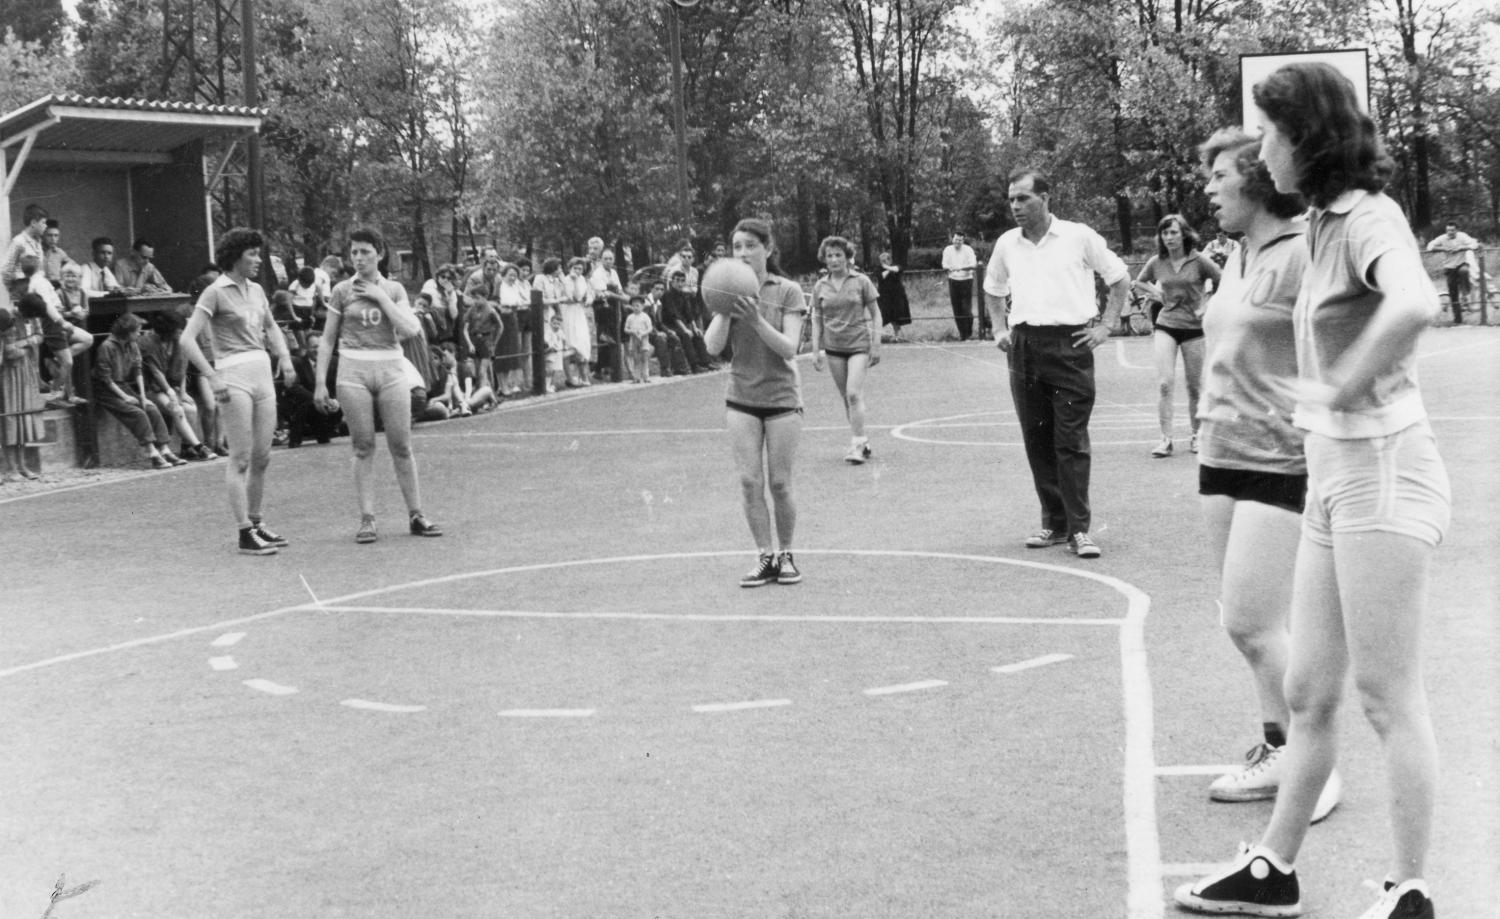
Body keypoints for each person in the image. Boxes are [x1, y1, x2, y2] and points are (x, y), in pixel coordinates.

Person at [1175, 62, 1452, 919]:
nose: (1260, 149)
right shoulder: (1321, 226)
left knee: (1385, 694)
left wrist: (1338, 389)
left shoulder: (1371, 218)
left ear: (1308, 138)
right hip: (1335, 480)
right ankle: (1274, 869)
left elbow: (1412, 304)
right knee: (1306, 690)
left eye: (1269, 133)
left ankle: (1411, 891)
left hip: (1383, 474)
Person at [1194, 127, 1341, 822]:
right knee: (1241, 619)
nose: (1209, 187)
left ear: (1255, 179)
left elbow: (1337, 342)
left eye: (1219, 175)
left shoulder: (1300, 251)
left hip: (1277, 455)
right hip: (1221, 450)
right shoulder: (1238, 253)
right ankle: (1278, 742)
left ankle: (1318, 764)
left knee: (1257, 620)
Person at [983, 167, 1129, 559]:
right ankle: (1055, 522)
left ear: (1045, 199)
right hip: (1025, 347)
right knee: (1037, 439)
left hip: (1071, 345)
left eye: (1023, 198)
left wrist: (1106, 325)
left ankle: (1080, 529)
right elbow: (993, 288)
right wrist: (999, 328)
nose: (1015, 206)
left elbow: (1118, 278)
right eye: (1012, 199)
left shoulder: (1079, 236)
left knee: (1070, 440)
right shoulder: (1007, 244)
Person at [313, 228, 442, 544]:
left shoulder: (394, 289)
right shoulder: (342, 291)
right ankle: (367, 518)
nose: (358, 258)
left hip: (390, 367)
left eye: (365, 252)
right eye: (354, 252)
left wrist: (381, 297)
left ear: (380, 254)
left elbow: (411, 328)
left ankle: (416, 514)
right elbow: (328, 339)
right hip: (353, 369)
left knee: (401, 443)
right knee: (363, 445)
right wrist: (320, 382)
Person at [703, 218, 808, 588]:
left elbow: (790, 348)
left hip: (781, 398)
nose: (743, 253)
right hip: (741, 398)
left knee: (780, 484)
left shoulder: (788, 290)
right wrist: (724, 307)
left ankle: (787, 554)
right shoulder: (727, 292)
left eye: (750, 245)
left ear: (767, 248)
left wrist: (757, 319)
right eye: (737, 247)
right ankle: (764, 556)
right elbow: (713, 347)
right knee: (749, 482)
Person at [180, 228, 296, 555]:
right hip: (233, 374)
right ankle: (245, 532)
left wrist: (285, 359)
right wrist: (212, 376)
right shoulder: (215, 292)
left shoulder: (257, 290)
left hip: (261, 372)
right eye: (253, 255)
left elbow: (271, 326)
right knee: (241, 457)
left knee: (263, 456)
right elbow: (187, 340)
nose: (258, 260)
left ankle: (256, 522)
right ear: (235, 256)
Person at [1132, 214, 1222, 457]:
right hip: (1166, 325)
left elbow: (1223, 279)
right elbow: (1139, 282)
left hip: (1194, 328)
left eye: (1173, 232)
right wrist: (1156, 293)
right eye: (1165, 233)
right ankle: (1166, 439)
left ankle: (1196, 436)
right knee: (1164, 383)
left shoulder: (1199, 260)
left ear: (1184, 234)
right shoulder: (1157, 261)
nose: (1169, 237)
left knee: (1194, 387)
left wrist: (1207, 304)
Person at [810, 235, 882, 464]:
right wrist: (815, 350)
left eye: (838, 255)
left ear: (847, 257)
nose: (834, 259)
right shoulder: (820, 286)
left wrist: (876, 344)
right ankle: (861, 439)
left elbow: (876, 313)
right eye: (829, 255)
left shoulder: (861, 281)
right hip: (833, 348)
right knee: (846, 398)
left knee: (853, 393)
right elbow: (816, 320)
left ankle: (857, 445)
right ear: (824, 259)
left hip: (859, 345)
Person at [92, 311, 189, 470]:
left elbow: (138, 371)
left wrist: (143, 397)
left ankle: (164, 449)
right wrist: (125, 397)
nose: (140, 333)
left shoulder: (133, 344)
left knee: (151, 408)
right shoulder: (107, 346)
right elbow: (106, 378)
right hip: (106, 388)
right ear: (127, 332)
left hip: (123, 384)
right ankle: (152, 453)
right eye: (136, 330)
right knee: (137, 414)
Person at [141, 310, 214, 461]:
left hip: (171, 388)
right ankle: (199, 446)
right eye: (178, 329)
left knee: (191, 408)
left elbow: (183, 367)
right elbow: (156, 373)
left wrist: (182, 392)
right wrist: (172, 394)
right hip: (152, 388)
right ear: (168, 330)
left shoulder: (178, 342)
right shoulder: (148, 343)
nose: (181, 332)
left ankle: (186, 447)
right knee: (177, 409)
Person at [1, 293, 47, 479]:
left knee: (24, 418)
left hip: (26, 370)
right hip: (9, 375)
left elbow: (40, 336)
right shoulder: (8, 318)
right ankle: (11, 468)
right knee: (11, 418)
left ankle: (22, 465)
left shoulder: (33, 318)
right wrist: (29, 345)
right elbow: (9, 352)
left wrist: (26, 343)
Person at [1424, 221, 1478, 325]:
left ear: (1457, 230)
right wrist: (1443, 248)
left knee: (1464, 271)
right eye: (1448, 230)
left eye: (1452, 230)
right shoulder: (1442, 238)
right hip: (1449, 267)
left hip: (1462, 264)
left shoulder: (1462, 236)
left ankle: (1466, 293)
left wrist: (1461, 247)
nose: (1450, 232)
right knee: (1453, 294)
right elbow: (1429, 246)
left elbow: (1474, 244)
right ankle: (1458, 320)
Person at [558, 257, 594, 386]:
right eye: (575, 268)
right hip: (568, 312)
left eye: (580, 268)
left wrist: (588, 299)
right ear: (570, 268)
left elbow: (585, 296)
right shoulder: (566, 280)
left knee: (582, 342)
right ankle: (569, 377)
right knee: (569, 343)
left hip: (578, 312)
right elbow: (575, 296)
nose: (578, 271)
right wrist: (573, 281)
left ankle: (583, 376)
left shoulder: (583, 279)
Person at [940, 231, 978, 340]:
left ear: (963, 240)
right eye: (956, 239)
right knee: (957, 309)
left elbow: (973, 264)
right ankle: (962, 334)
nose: (957, 242)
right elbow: (944, 264)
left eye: (960, 240)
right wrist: (949, 268)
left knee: (966, 308)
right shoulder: (947, 250)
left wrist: (961, 268)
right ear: (953, 239)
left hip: (966, 280)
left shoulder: (968, 250)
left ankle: (968, 333)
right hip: (953, 280)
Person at [2, 204, 49, 283]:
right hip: (23, 290)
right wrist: (17, 288)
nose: (46, 226)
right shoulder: (19, 241)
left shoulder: (38, 242)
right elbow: (5, 271)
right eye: (43, 222)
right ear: (33, 223)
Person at [874, 249, 911, 334]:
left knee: (896, 316)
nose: (883, 262)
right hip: (884, 296)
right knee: (882, 315)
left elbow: (898, 269)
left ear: (890, 260)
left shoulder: (896, 266)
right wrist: (888, 269)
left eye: (885, 260)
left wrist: (888, 268)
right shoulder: (878, 269)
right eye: (881, 261)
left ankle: (897, 335)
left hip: (897, 296)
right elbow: (882, 276)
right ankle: (878, 335)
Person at [623, 294, 654, 383]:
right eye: (633, 306)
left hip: (643, 339)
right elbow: (626, 329)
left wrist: (643, 333)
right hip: (634, 339)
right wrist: (632, 331)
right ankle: (637, 377)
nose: (635, 308)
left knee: (644, 358)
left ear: (642, 306)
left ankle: (646, 376)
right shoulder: (630, 317)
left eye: (638, 305)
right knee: (636, 359)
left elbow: (650, 328)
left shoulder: (645, 316)